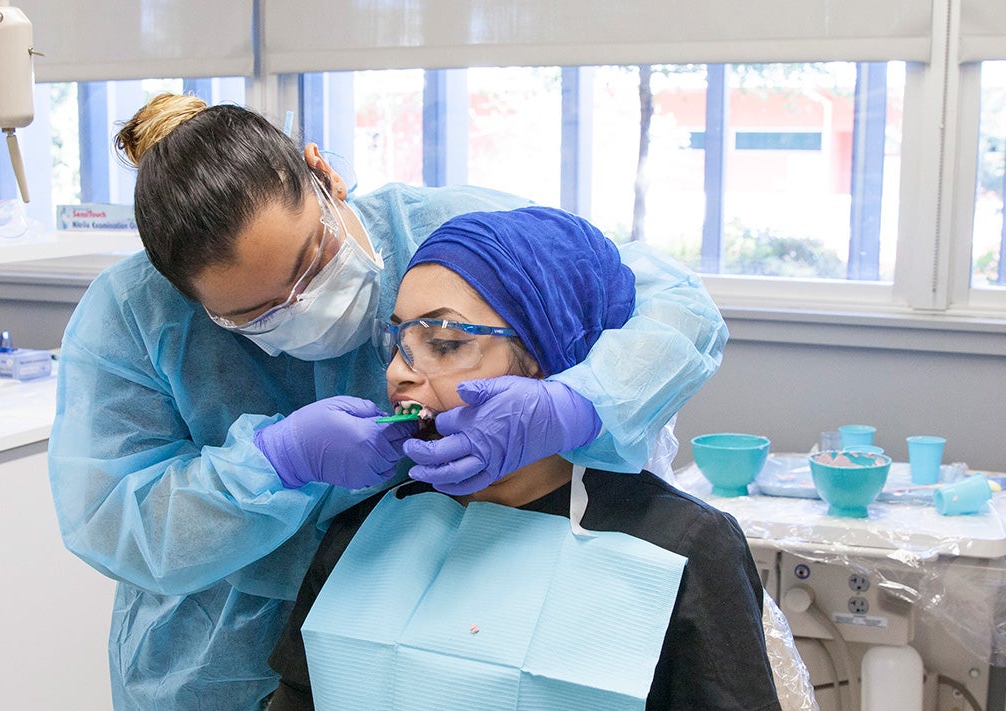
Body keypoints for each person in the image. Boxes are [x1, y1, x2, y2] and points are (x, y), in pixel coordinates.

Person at [47, 93, 728, 710]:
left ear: (325, 175)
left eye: (312, 260)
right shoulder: (136, 314)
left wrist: (575, 405)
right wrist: (275, 461)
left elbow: (677, 310)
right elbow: (114, 517)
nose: (303, 307)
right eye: (257, 313)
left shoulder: (457, 237)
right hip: (214, 665)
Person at [266, 206, 779, 710]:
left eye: (443, 343)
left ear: (542, 358)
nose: (400, 373)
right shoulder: (362, 533)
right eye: (399, 341)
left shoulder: (681, 546)